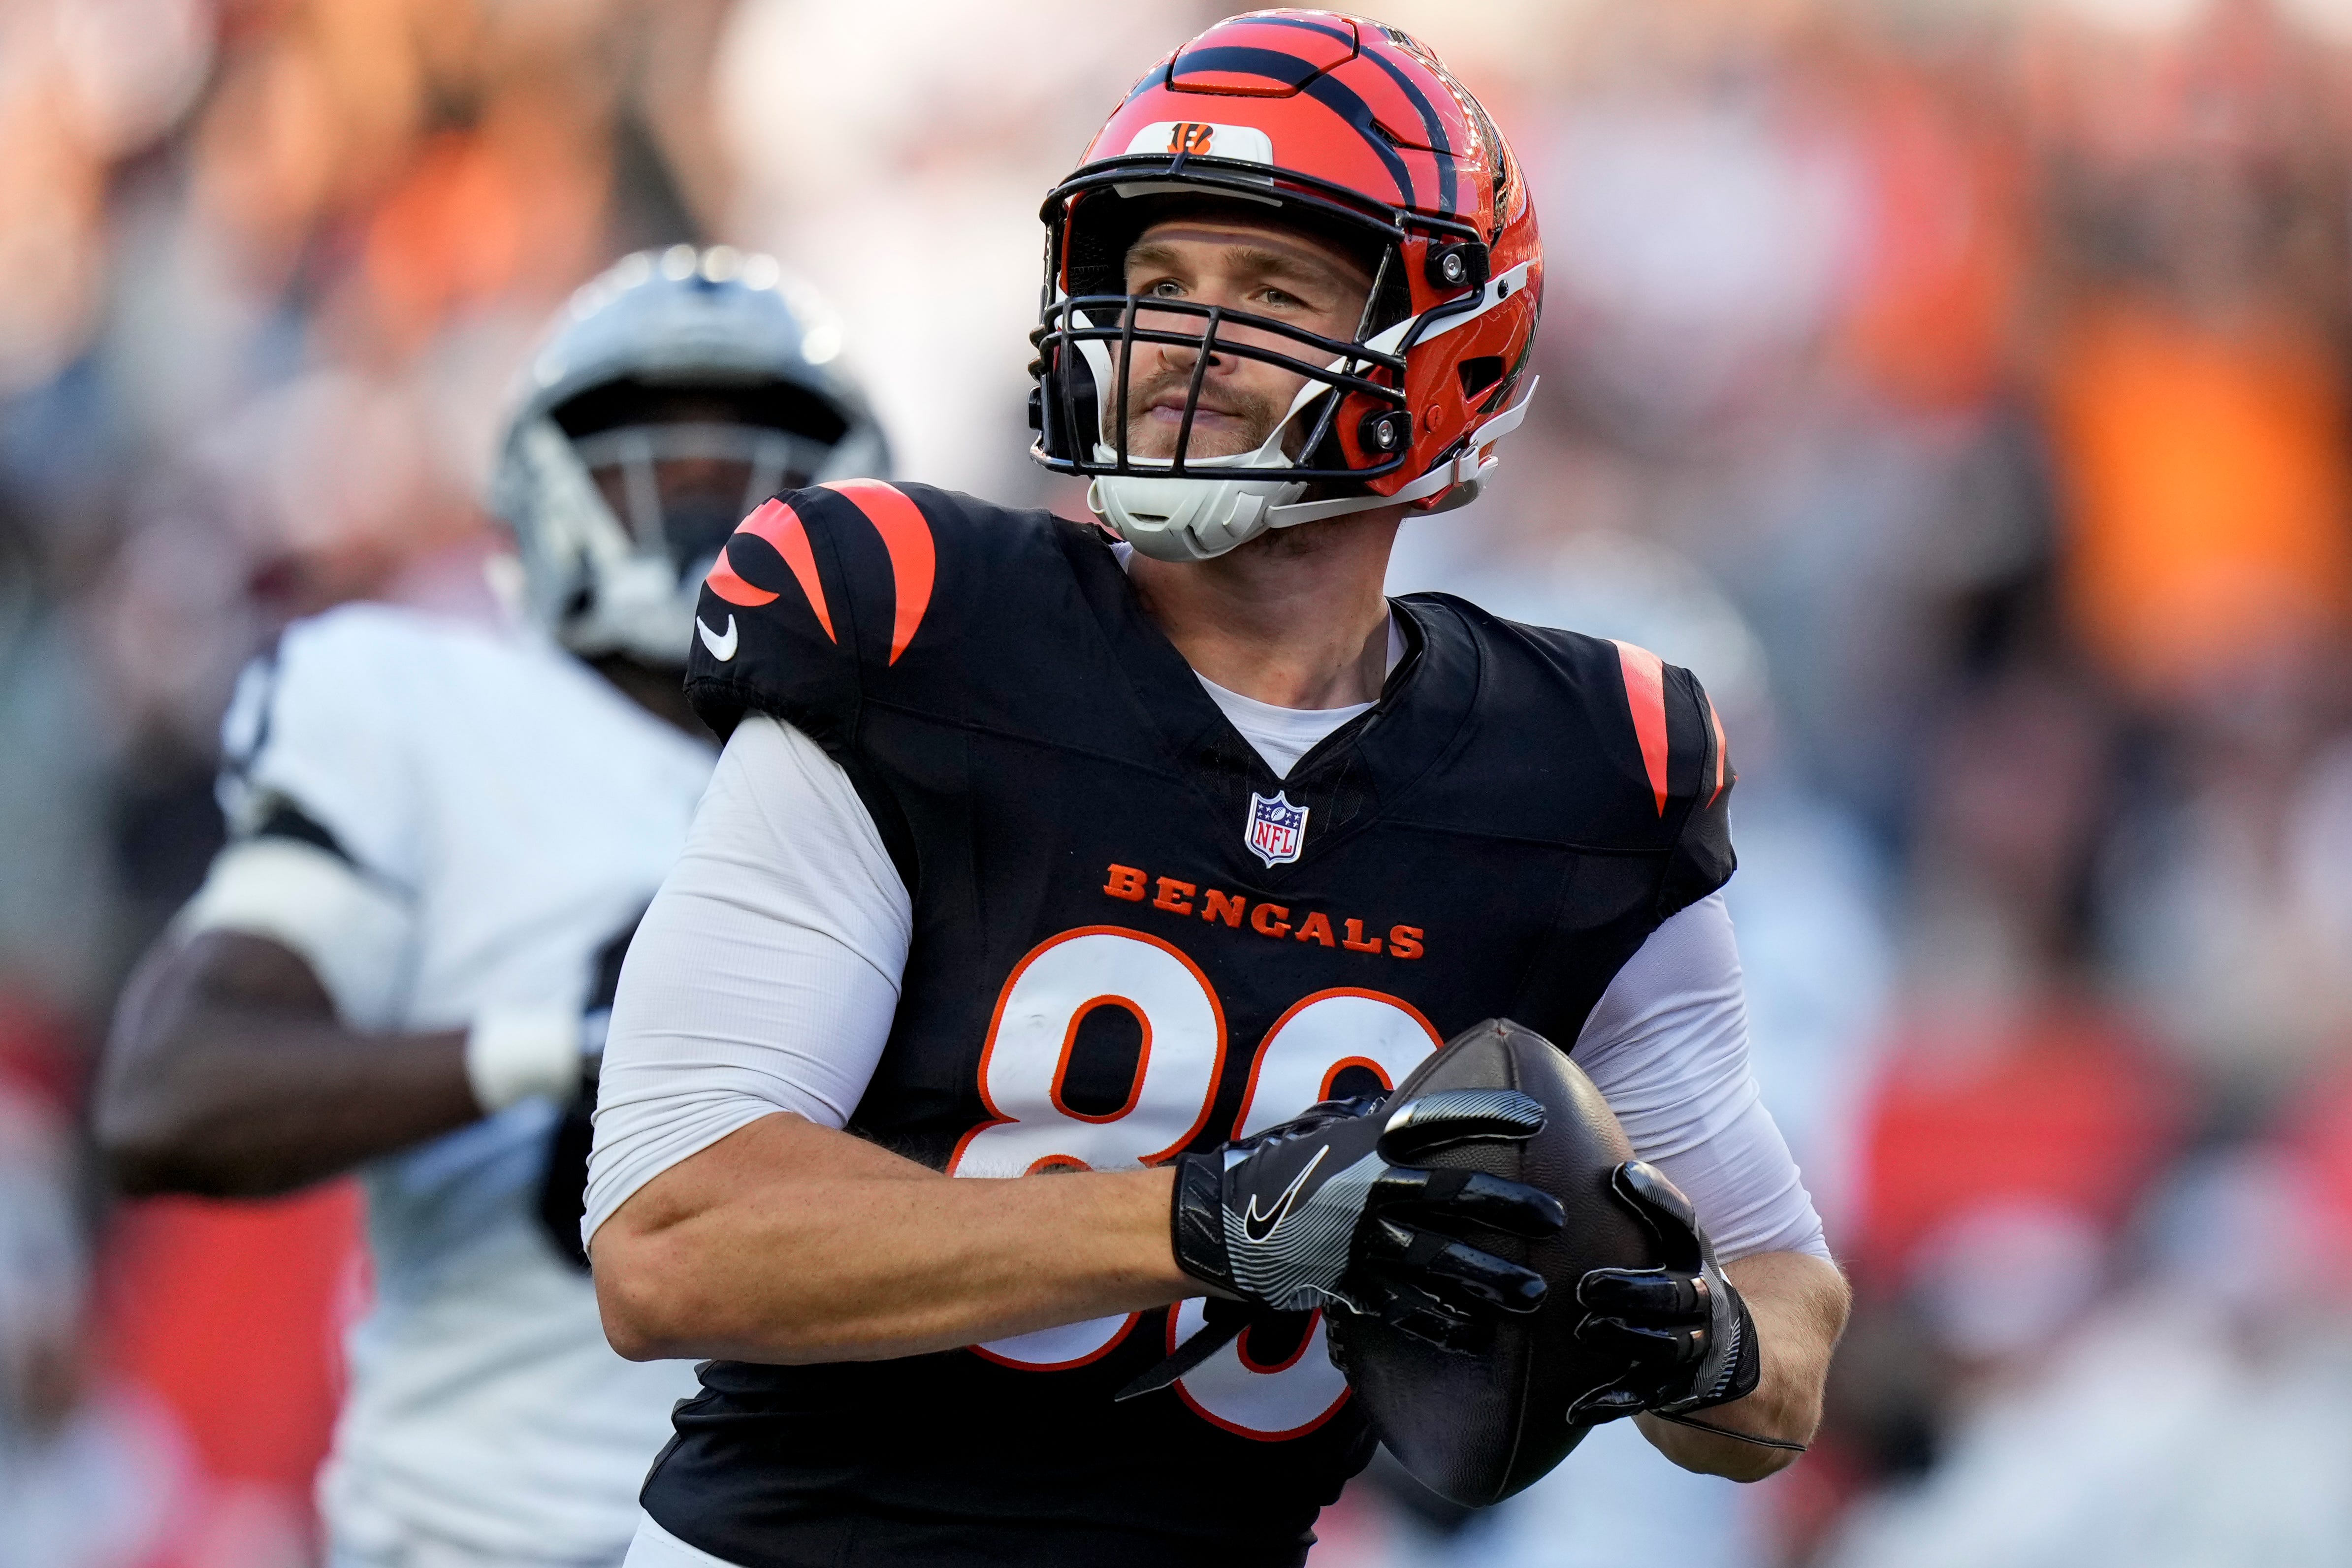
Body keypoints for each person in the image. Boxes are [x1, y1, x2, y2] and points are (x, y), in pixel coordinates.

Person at [587, 16, 1849, 1568]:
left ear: (1445, 346)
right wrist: (1208, 1220)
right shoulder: (918, 632)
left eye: (1268, 294)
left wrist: (1694, 1346)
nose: (1182, 341)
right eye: (1158, 286)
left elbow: (1783, 1325)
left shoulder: (1588, 766)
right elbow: (673, 1241)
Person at [94, 246, 890, 1568]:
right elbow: (173, 1092)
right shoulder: (422, 705)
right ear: (543, 488)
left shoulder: (928, 766)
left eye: (751, 465)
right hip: (492, 1532)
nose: (707, 510)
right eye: (658, 465)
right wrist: (564, 1049)